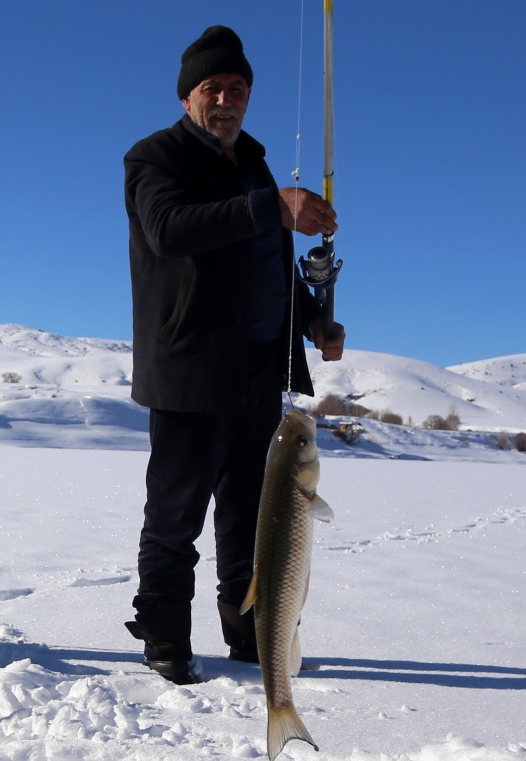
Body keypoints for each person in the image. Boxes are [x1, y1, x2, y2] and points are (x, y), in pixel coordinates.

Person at [124, 24, 345, 684]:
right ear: (188, 95)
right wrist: (268, 206)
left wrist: (312, 320)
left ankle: (245, 625)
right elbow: (170, 231)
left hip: (258, 371)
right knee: (175, 515)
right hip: (188, 373)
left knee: (250, 515)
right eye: (211, 88)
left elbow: (268, 261)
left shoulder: (254, 163)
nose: (225, 99)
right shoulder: (154, 158)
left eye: (238, 88)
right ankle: (164, 631)